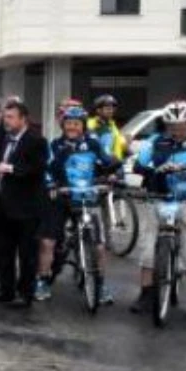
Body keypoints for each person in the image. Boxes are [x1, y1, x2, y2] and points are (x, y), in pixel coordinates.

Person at [35, 105, 121, 302]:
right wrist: (51, 185)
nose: (72, 127)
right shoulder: (55, 145)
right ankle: (43, 281)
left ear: (83, 126)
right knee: (48, 241)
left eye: (76, 124)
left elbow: (109, 162)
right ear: (63, 125)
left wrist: (115, 175)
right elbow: (46, 170)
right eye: (68, 124)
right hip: (62, 196)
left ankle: (100, 285)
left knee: (99, 245)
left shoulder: (93, 144)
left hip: (87, 197)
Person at [129, 101, 186, 320]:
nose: (176, 129)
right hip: (159, 198)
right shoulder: (156, 142)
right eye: (171, 125)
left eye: (180, 125)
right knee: (149, 246)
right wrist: (153, 170)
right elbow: (139, 166)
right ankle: (146, 294)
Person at [0, 99, 49, 306]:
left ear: (23, 119)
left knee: (27, 254)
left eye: (10, 117)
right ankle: (6, 290)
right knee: (4, 251)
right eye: (4, 117)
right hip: (3, 206)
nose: (6, 121)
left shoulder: (36, 141)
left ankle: (26, 294)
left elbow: (38, 169)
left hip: (26, 208)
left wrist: (12, 169)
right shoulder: (5, 139)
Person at [87, 94, 127, 161]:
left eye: (112, 109)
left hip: (115, 164)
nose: (111, 111)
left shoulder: (111, 124)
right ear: (98, 110)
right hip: (102, 164)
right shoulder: (92, 123)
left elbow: (120, 142)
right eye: (108, 109)